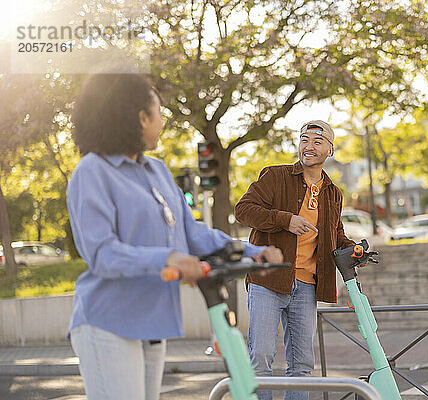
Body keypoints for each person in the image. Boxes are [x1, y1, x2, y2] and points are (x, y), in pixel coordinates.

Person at [66, 73, 282, 400]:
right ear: (141, 117)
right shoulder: (92, 172)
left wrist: (252, 251)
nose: (163, 119)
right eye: (159, 110)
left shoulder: (157, 171)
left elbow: (190, 232)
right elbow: (102, 254)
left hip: (152, 321)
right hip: (107, 322)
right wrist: (168, 259)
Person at [234, 120, 355, 400]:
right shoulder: (275, 177)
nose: (308, 146)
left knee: (301, 365)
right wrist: (285, 220)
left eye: (317, 141)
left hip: (306, 286)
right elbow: (243, 210)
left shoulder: (332, 193)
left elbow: (335, 234)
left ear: (330, 150)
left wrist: (354, 250)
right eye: (304, 139)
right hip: (268, 280)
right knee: (261, 357)